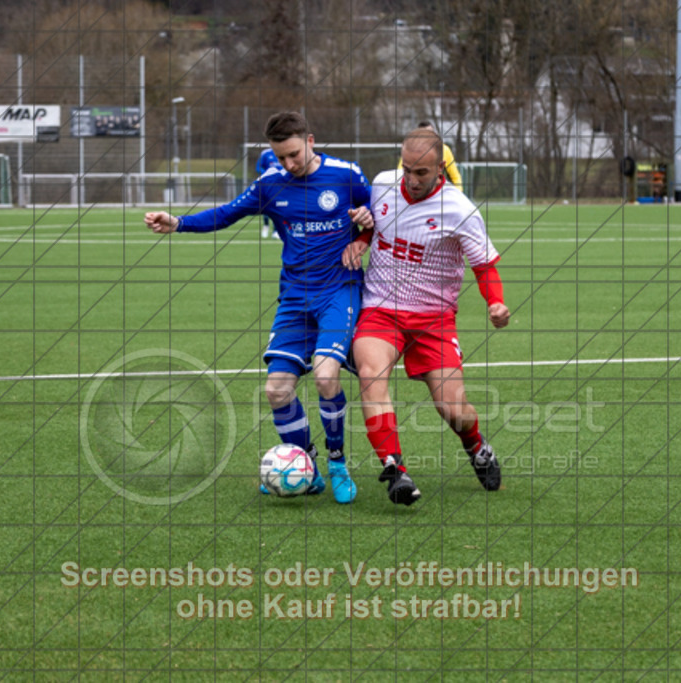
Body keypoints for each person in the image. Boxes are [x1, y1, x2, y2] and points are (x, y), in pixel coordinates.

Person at [145, 111, 373, 504]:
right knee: (276, 389)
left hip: (339, 289)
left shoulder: (346, 175)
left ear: (310, 140)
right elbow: (226, 213)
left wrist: (364, 236)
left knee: (324, 375)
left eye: (293, 154)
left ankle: (338, 463)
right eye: (280, 157)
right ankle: (310, 467)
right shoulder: (270, 184)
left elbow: (381, 217)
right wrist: (179, 223)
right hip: (295, 296)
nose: (288, 164)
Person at [343, 127, 510, 506]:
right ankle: (394, 469)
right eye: (407, 170)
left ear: (440, 169)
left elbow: (484, 266)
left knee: (453, 409)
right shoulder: (383, 184)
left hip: (434, 319)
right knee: (370, 374)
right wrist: (360, 240)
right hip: (380, 310)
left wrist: (495, 303)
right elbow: (373, 227)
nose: (412, 180)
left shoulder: (459, 208)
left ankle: (476, 446)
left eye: (422, 172)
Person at [396, 121, 463, 186]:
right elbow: (400, 173)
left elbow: (455, 177)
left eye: (430, 133)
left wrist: (458, 193)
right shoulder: (411, 149)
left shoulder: (444, 150)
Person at [255, 148, 282, 240]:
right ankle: (266, 226)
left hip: (281, 185)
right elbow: (258, 167)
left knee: (278, 207)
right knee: (266, 206)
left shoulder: (285, 151)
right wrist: (267, 174)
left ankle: (276, 230)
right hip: (267, 184)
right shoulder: (266, 153)